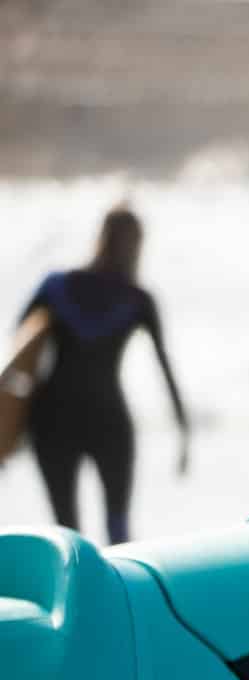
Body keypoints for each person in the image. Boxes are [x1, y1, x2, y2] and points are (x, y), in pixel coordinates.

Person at [15, 205, 190, 544]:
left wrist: (8, 426)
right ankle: (121, 598)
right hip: (108, 422)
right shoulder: (138, 300)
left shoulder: (55, 287)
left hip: (52, 420)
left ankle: (75, 598)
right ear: (137, 245)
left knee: (67, 538)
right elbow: (164, 368)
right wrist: (183, 432)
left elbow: (16, 354)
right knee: (119, 534)